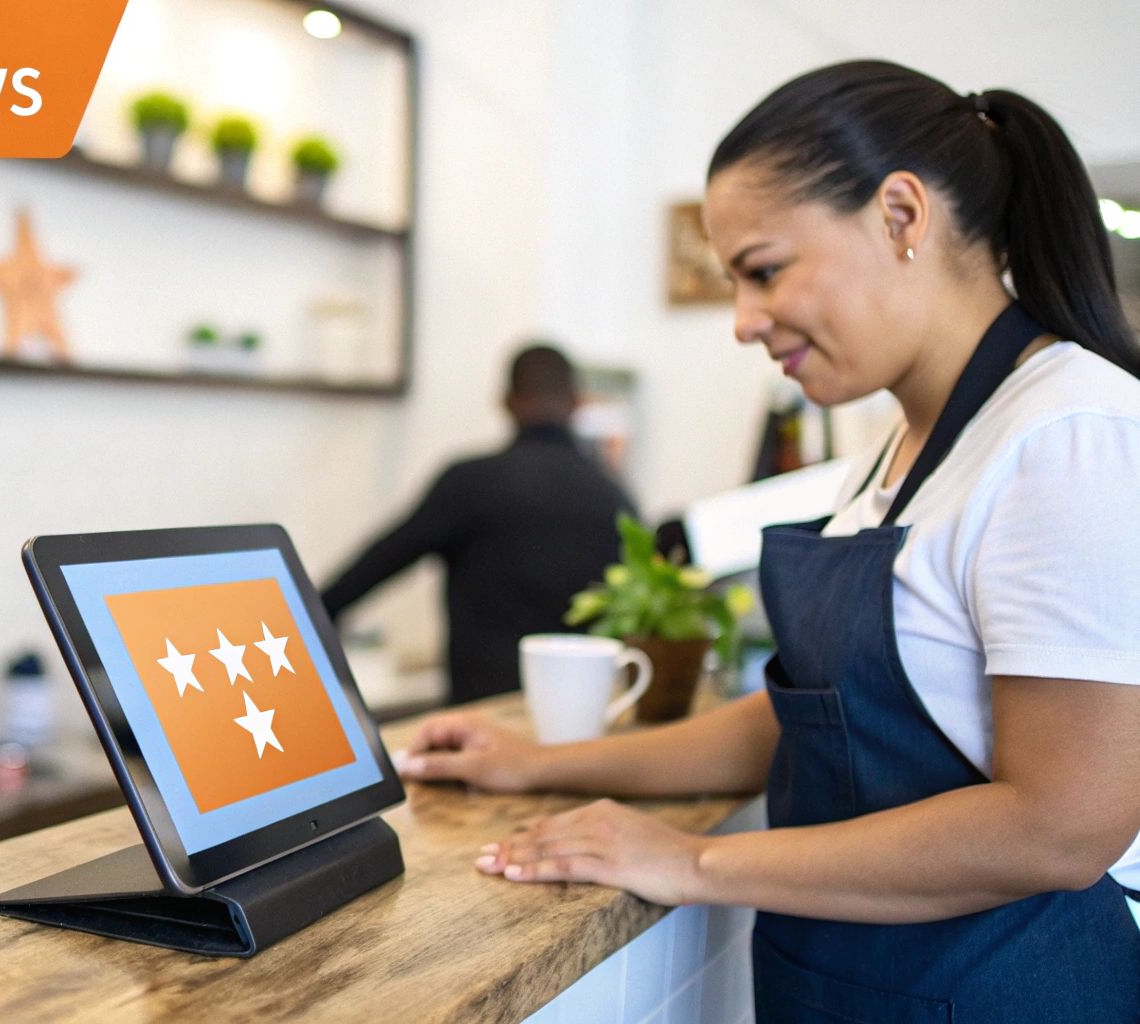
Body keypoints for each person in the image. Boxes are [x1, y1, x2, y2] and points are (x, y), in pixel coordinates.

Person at [394, 60, 1140, 1021]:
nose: (744, 322)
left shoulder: (1068, 430)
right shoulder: (894, 452)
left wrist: (695, 861)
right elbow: (806, 718)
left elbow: (1061, 826)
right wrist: (531, 760)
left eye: (764, 270)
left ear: (902, 216)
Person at [320, 344, 634, 706]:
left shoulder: (470, 483)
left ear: (505, 402)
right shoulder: (615, 498)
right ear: (578, 402)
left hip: (481, 722)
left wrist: (310, 616)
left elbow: (377, 564)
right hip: (580, 722)